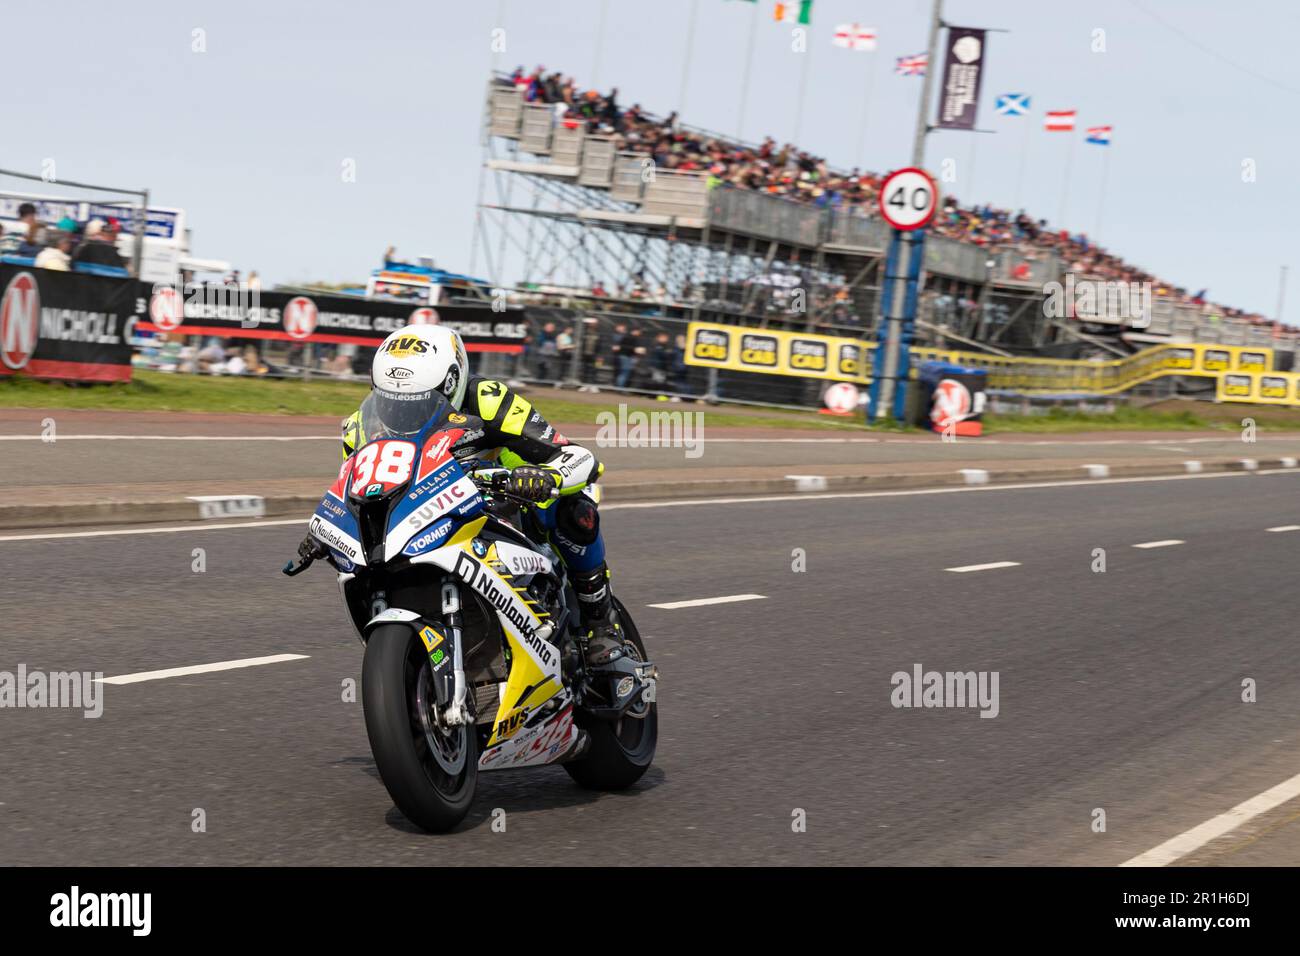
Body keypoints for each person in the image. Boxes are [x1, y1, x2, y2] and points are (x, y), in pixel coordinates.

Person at [337, 324, 626, 665]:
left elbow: (574, 456)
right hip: (424, 520)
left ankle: (599, 619)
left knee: (572, 511)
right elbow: (355, 491)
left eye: (420, 401)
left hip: (505, 501)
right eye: (392, 401)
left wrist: (542, 477)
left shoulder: (489, 399)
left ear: (452, 384)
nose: (403, 413)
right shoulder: (360, 427)